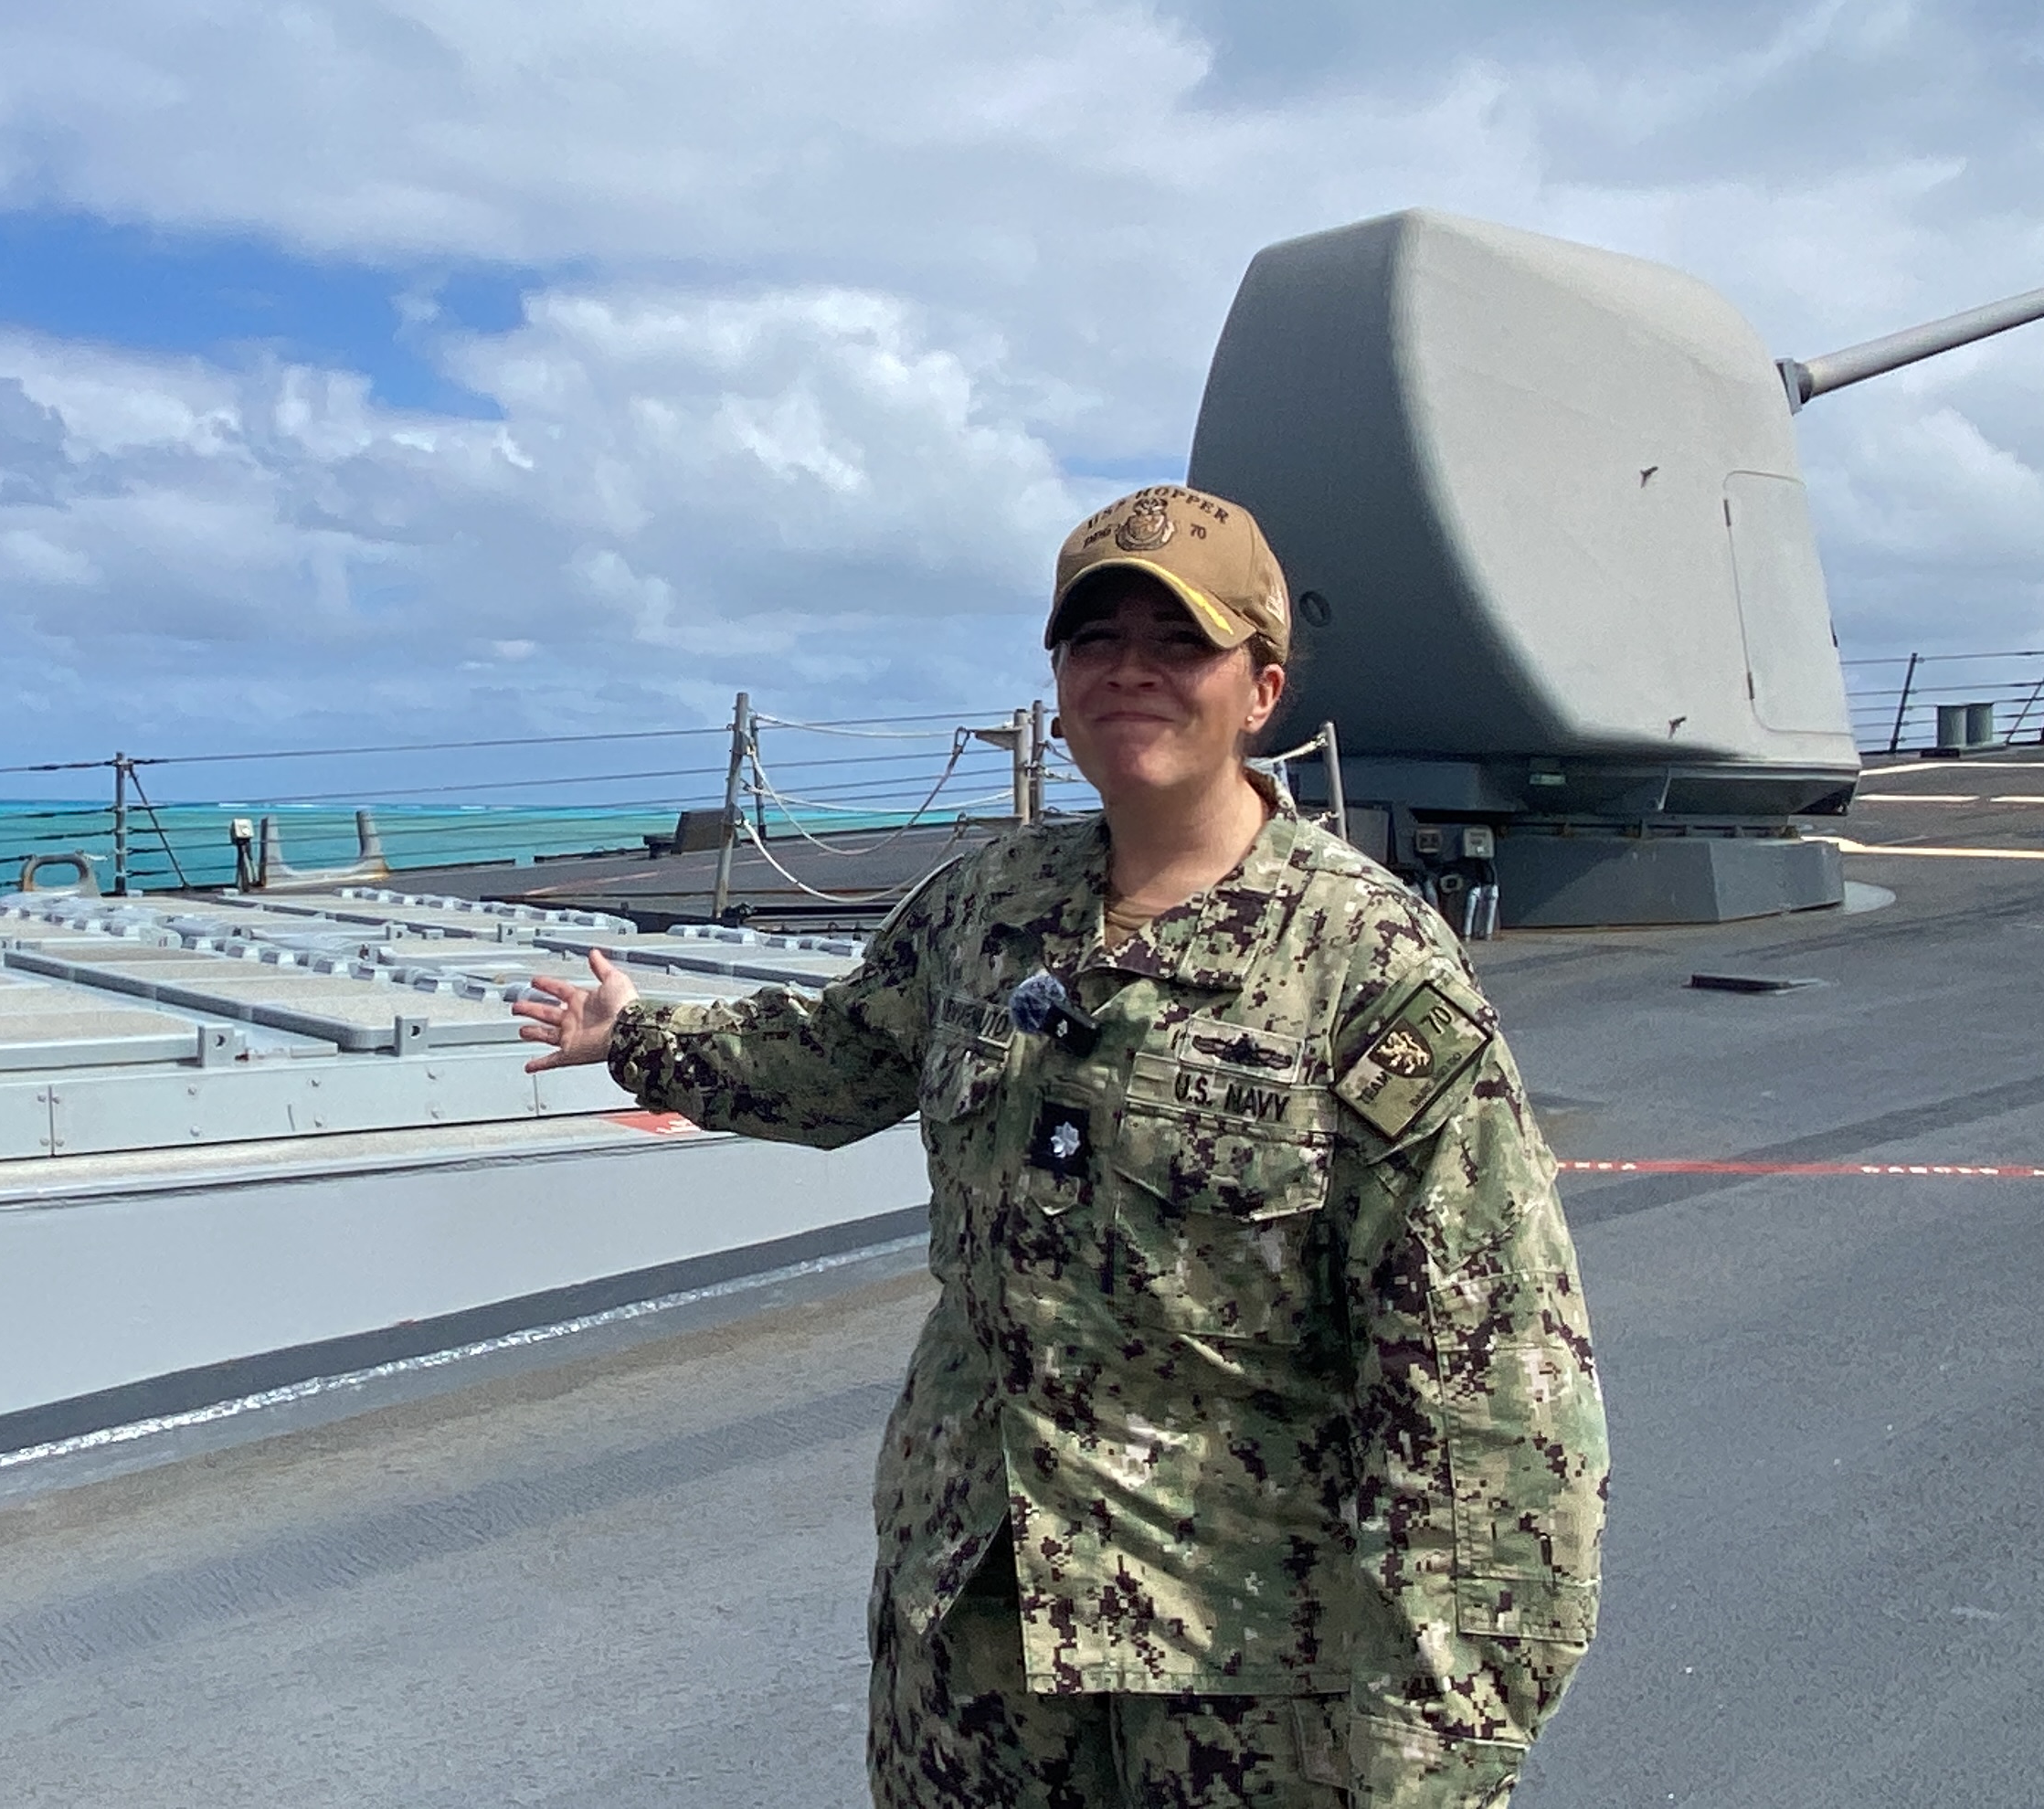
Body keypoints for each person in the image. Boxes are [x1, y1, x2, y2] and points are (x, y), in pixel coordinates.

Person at [514, 484, 1606, 1807]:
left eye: (1181, 641)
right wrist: (640, 1037)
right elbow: (839, 1058)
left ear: (1262, 691)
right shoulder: (989, 906)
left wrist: (1450, 1732)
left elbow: (1485, 1370)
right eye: (1097, 638)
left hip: (1248, 1669)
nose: (1131, 669)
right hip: (973, 1631)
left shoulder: (1365, 962)